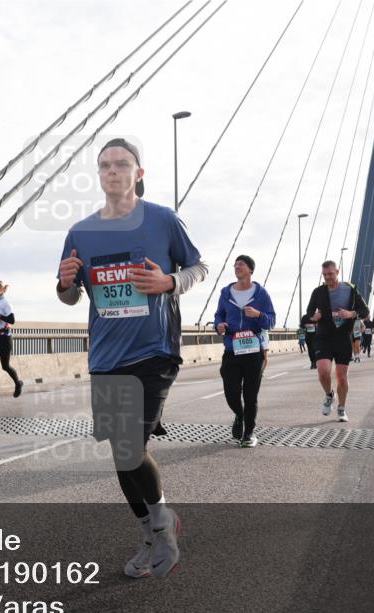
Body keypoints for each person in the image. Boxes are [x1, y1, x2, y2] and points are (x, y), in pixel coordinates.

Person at [56, 137, 207, 579]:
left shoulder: (163, 220)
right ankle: (150, 533)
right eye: (105, 166)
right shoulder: (80, 232)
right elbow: (69, 297)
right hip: (105, 356)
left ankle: (163, 524)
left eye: (122, 165)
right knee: (122, 454)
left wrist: (168, 283)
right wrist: (65, 283)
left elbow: (197, 267)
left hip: (153, 351)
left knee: (128, 446)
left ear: (139, 173)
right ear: (98, 175)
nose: (113, 172)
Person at [214, 255, 276, 447]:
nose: (236, 266)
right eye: (235, 264)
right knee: (231, 393)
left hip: (253, 351)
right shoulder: (226, 293)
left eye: (241, 264)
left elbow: (271, 321)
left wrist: (258, 315)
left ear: (250, 269)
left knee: (250, 395)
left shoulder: (261, 294)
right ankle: (239, 415)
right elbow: (218, 316)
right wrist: (219, 326)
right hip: (232, 349)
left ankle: (249, 433)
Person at [305, 260, 369, 422]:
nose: (328, 277)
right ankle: (329, 395)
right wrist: (314, 317)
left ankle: (341, 408)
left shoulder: (350, 289)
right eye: (325, 275)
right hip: (324, 336)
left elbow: (365, 311)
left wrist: (351, 314)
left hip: (342, 337)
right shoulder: (318, 292)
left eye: (331, 274)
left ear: (337, 272)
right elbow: (309, 313)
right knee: (323, 371)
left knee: (341, 376)